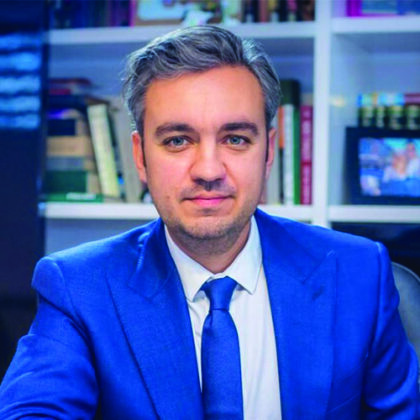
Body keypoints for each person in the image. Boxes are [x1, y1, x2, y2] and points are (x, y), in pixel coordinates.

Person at [0, 25, 419, 419]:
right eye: (177, 141)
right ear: (140, 156)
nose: (208, 170)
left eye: (235, 139)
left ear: (268, 151)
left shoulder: (359, 273)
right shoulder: (78, 287)